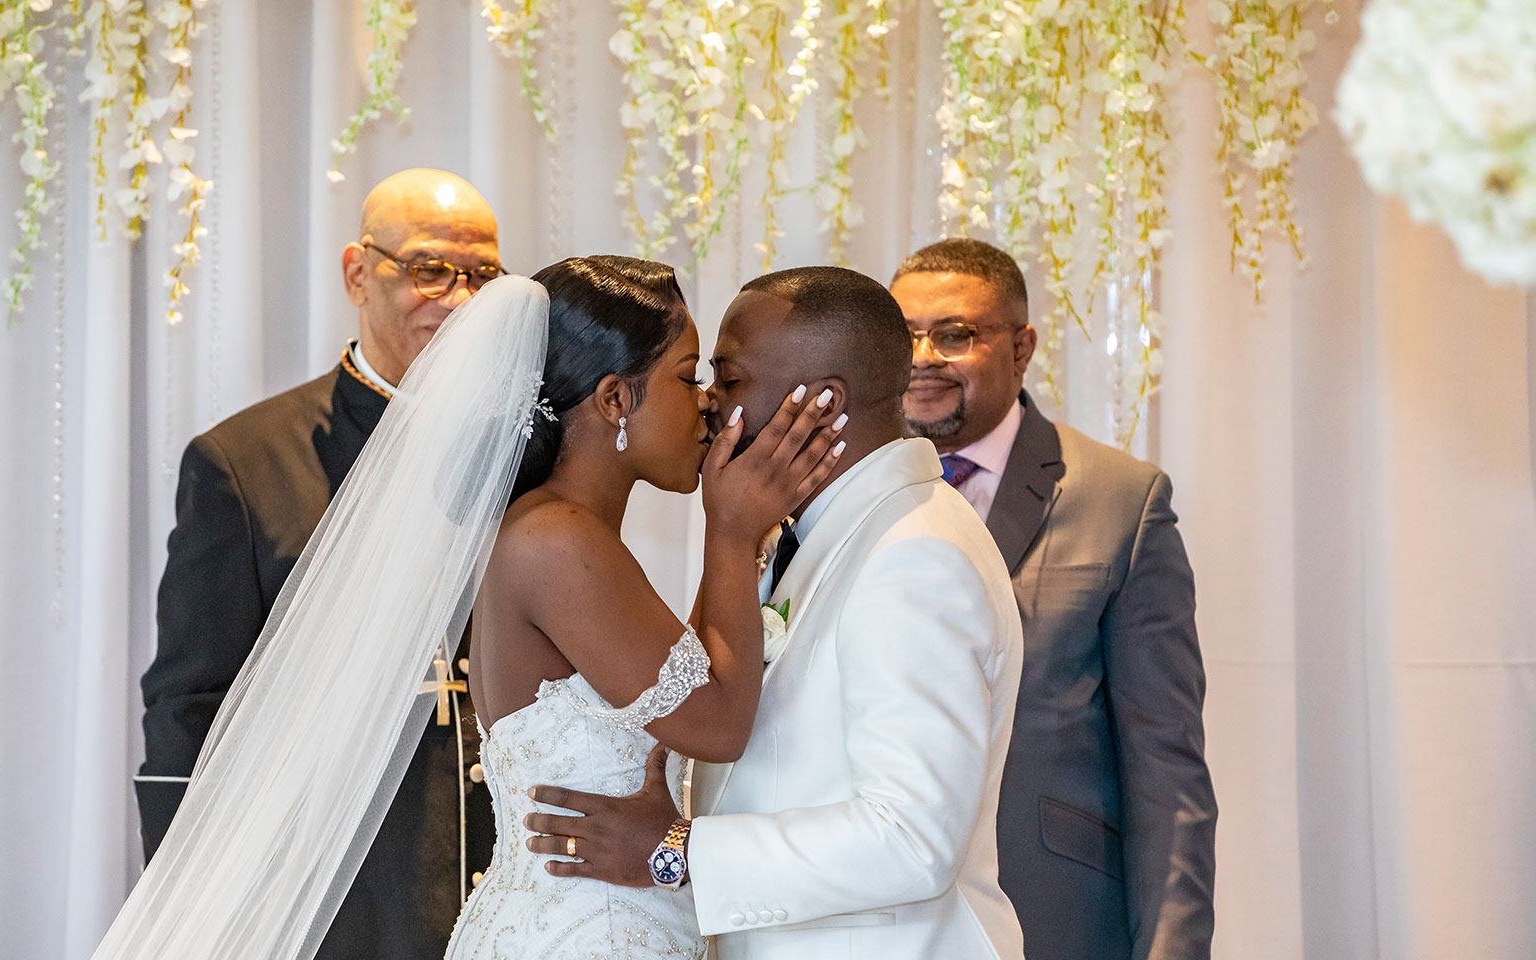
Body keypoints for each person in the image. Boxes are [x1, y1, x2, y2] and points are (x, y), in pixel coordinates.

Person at [95, 260, 840, 960]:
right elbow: (717, 724)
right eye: (688, 377)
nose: (710, 404)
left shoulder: (557, 533)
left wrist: (738, 535)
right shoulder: (557, 542)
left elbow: (695, 683)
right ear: (615, 399)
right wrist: (730, 526)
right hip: (588, 936)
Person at [523, 266, 1026, 960]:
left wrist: (676, 851)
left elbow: (913, 839)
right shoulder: (802, 531)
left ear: (821, 402)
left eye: (728, 380)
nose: (709, 406)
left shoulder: (914, 553)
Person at [135, 168, 506, 960]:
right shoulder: (243, 463)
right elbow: (187, 711)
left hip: (506, 892)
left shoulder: (525, 453)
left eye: (482, 276)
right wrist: (199, 915)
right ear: (356, 272)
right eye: (430, 269)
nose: (460, 300)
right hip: (337, 901)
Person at [892, 237, 1217, 960]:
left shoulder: (1121, 500)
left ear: (1022, 347)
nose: (922, 358)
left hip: (1053, 914)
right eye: (904, 335)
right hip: (880, 918)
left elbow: (1168, 773)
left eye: (954, 335)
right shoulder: (841, 493)